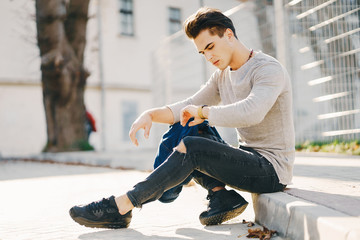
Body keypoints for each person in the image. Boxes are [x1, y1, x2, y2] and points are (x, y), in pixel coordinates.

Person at [69, 7, 295, 229]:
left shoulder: (267, 69)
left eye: (210, 47)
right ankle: (220, 196)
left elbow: (252, 112)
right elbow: (188, 106)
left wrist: (203, 112)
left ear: (228, 34)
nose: (208, 57)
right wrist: (150, 114)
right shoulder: (222, 75)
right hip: (248, 158)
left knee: (193, 144)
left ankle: (123, 205)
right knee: (187, 123)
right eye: (202, 52)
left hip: (272, 171)